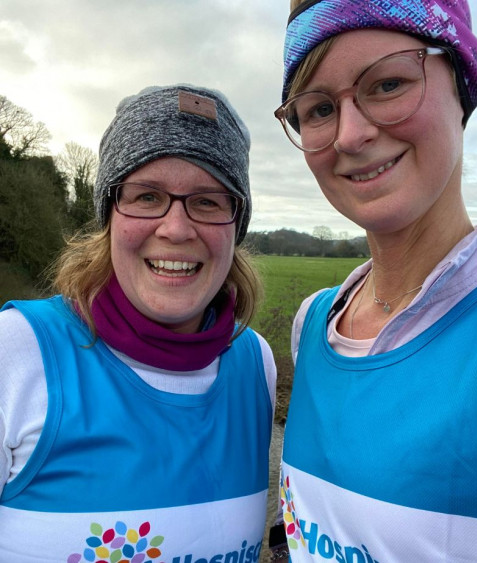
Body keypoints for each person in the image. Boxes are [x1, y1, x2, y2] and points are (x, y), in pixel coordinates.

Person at [0, 85, 276, 560]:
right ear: (109, 215)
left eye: (209, 200)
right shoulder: (17, 353)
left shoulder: (256, 365)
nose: (175, 227)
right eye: (147, 196)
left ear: (237, 224)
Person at [270, 0, 477, 560]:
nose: (349, 134)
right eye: (318, 109)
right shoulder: (315, 326)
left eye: (388, 83)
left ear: (463, 90)